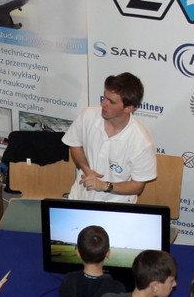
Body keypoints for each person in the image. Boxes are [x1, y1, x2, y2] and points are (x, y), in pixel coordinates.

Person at [63, 72, 156, 203]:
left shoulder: (141, 141)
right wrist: (86, 169)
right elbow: (75, 144)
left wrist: (104, 186)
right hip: (80, 197)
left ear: (128, 108)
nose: (103, 104)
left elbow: (138, 186)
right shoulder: (88, 115)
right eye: (104, 97)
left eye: (111, 102)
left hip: (116, 206)